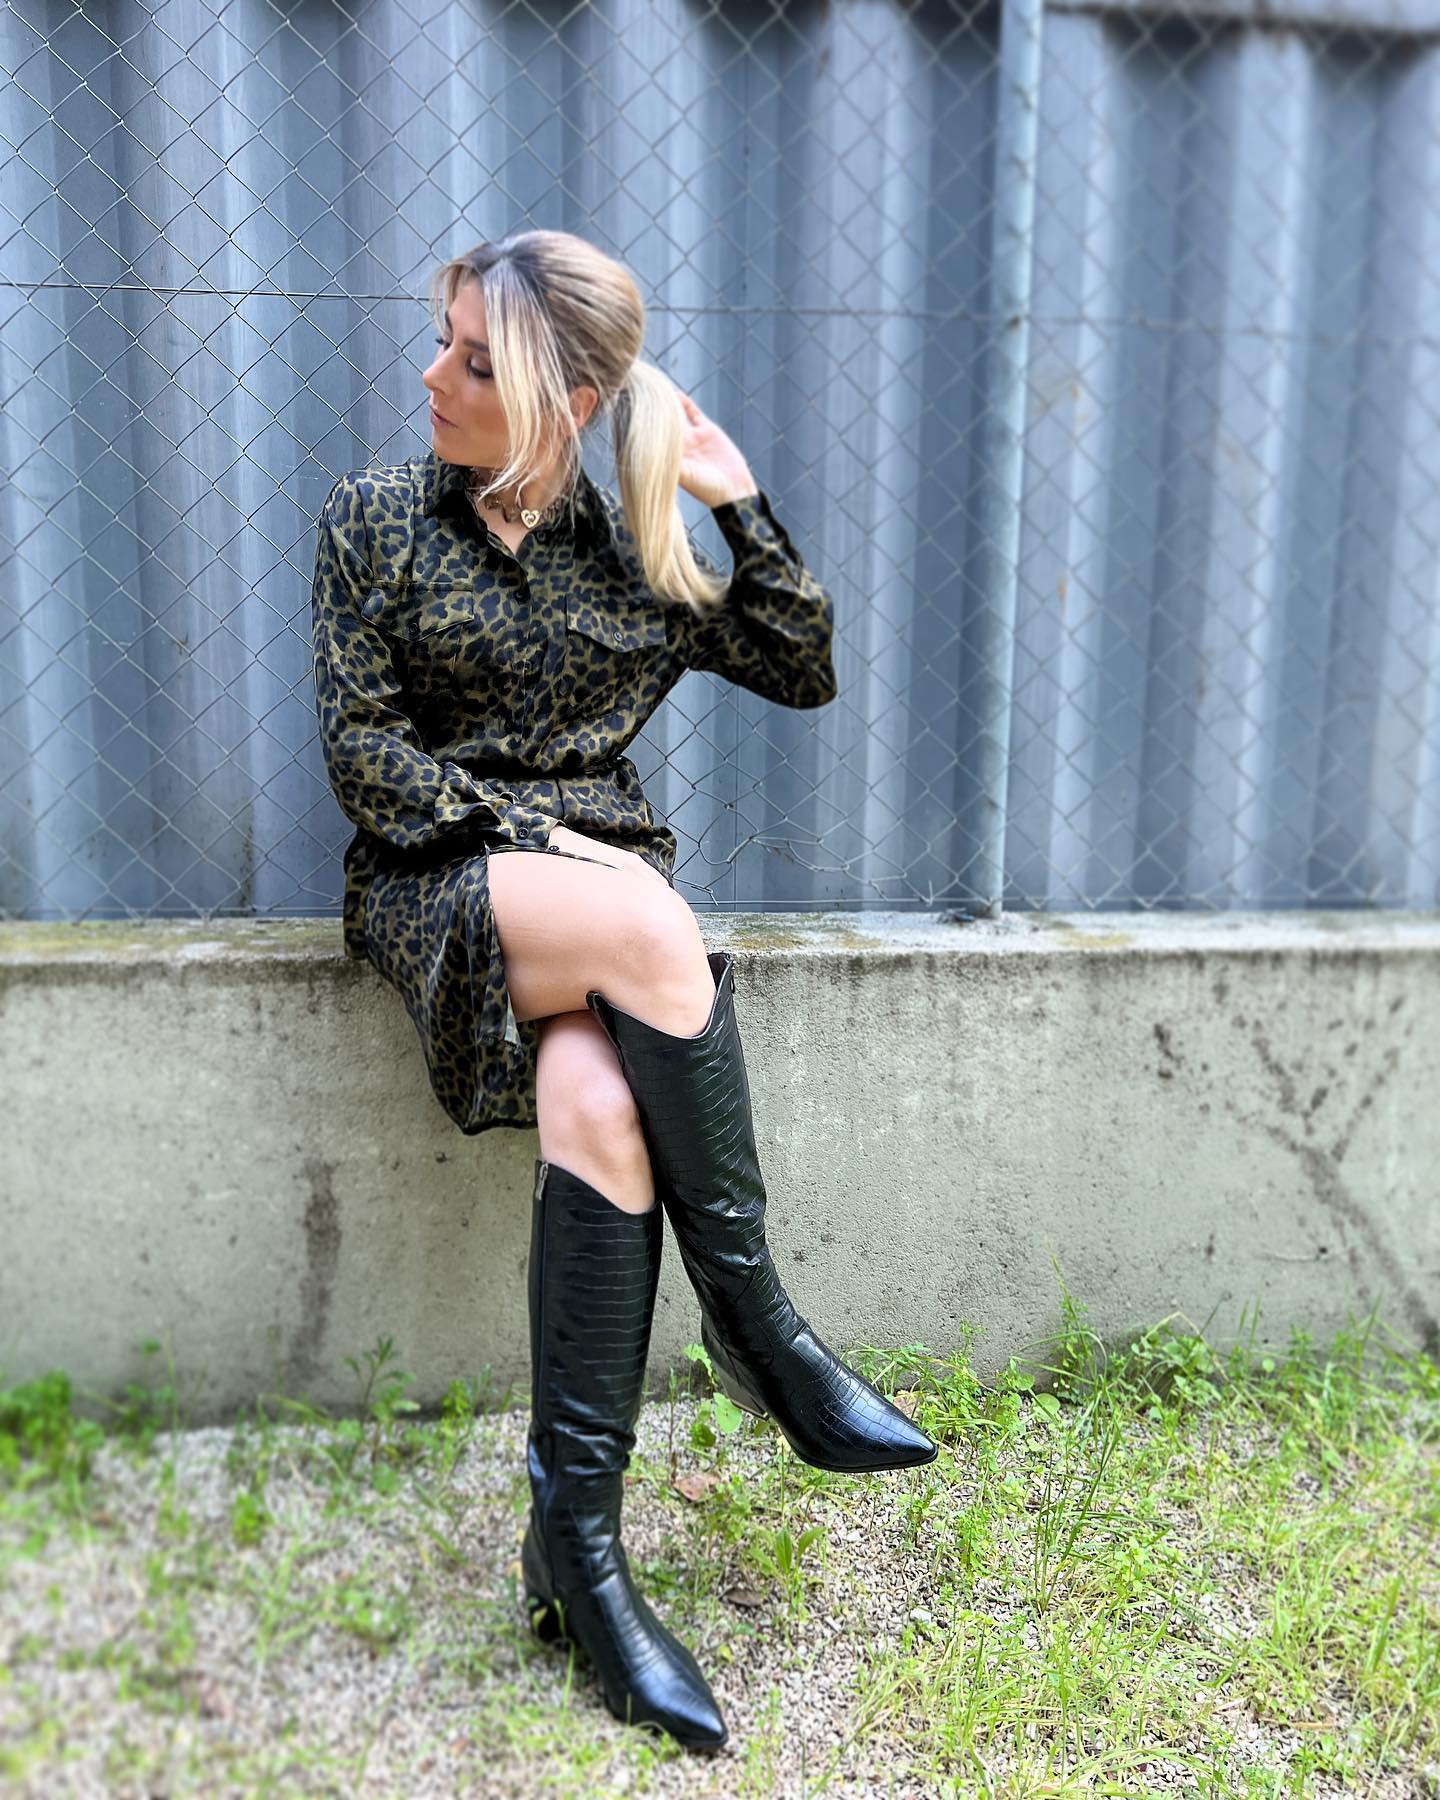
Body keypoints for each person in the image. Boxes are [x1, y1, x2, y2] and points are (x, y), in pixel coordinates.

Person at [309, 229, 937, 1753]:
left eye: (474, 359)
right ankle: (760, 1326)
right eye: (444, 340)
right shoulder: (374, 518)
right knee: (654, 923)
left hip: (603, 907)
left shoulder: (630, 553)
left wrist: (736, 499)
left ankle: (574, 1555)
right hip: (441, 877)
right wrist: (547, 841)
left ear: (568, 400)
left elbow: (797, 663)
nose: (433, 375)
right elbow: (366, 759)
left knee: (598, 1106)